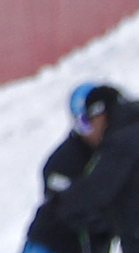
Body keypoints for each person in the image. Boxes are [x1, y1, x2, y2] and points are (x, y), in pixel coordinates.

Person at [47, 85, 139, 252]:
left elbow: (95, 192)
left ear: (100, 116)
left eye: (85, 123)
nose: (85, 134)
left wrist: (59, 200)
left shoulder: (123, 141)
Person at [25, 83, 114, 253]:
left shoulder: (117, 152)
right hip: (51, 246)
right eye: (83, 124)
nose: (93, 131)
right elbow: (68, 208)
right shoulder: (64, 161)